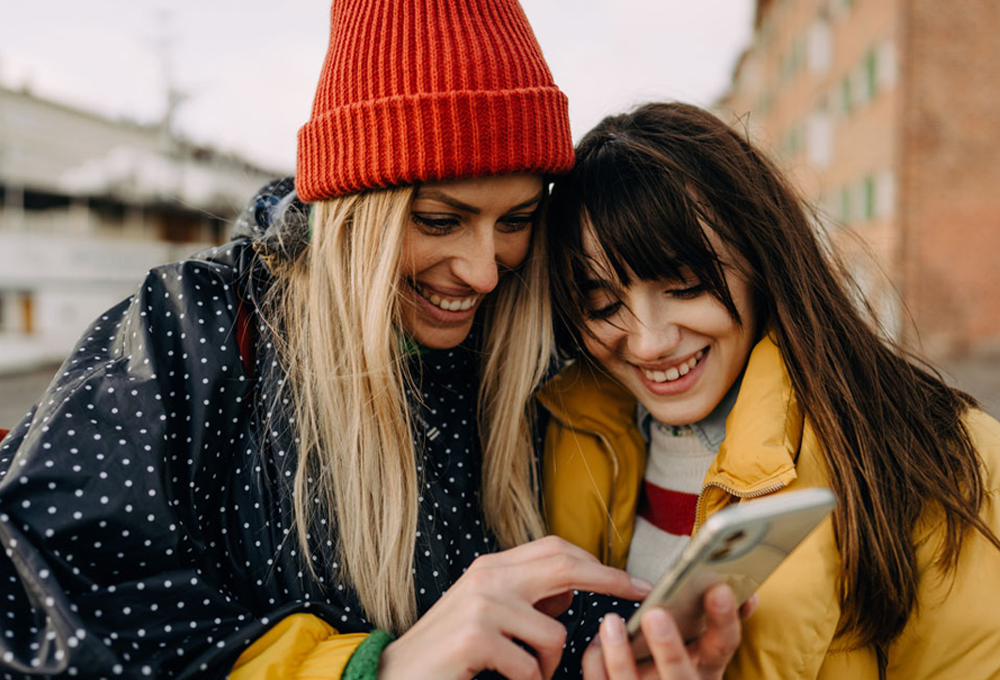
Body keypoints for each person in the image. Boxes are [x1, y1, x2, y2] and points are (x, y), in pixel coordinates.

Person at [0, 6, 745, 680]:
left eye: (515, 220)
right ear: (356, 210)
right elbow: (39, 598)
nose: (485, 272)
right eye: (439, 221)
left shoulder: (546, 342)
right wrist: (372, 670)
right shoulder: (197, 331)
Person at [539, 101, 1000, 679]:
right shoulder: (557, 439)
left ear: (760, 257)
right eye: (603, 305)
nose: (650, 342)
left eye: (683, 286)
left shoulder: (951, 457)